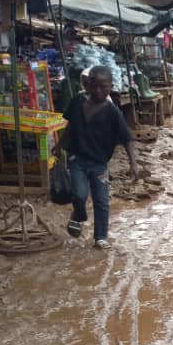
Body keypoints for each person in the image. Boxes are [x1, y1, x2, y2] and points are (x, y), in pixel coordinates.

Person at [57, 67, 139, 249]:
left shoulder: (112, 111)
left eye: (104, 87)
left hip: (99, 162)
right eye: (95, 87)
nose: (99, 91)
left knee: (101, 200)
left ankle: (100, 237)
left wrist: (133, 164)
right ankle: (79, 215)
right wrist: (59, 145)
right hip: (77, 158)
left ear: (111, 87)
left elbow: (127, 138)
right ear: (88, 85)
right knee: (79, 194)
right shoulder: (78, 102)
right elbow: (71, 126)